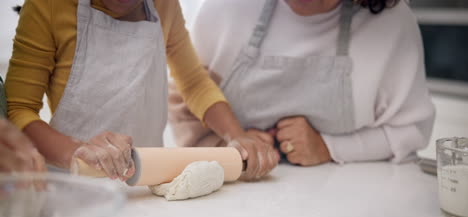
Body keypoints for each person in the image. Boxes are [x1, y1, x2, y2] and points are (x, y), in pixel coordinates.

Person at [5, 0, 278, 181]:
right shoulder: (48, 6)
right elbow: (18, 110)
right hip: (74, 184)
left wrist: (237, 135)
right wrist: (77, 152)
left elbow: (194, 82)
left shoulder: (164, 5)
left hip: (149, 180)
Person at [168, 0, 436, 166]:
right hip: (235, 209)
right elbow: (185, 104)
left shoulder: (392, 25)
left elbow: (411, 131)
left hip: (353, 208)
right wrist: (233, 150)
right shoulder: (224, 9)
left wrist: (328, 147)